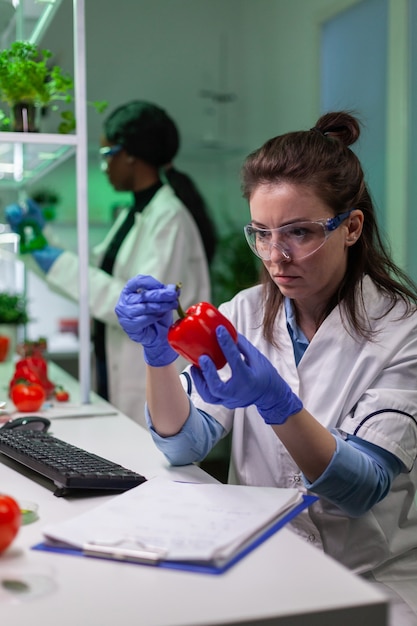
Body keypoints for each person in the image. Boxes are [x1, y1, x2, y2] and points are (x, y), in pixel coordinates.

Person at [115, 111, 417, 625]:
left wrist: (277, 403)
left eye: (299, 232)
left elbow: (361, 487)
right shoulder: (245, 312)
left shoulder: (402, 331)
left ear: (351, 227)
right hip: (260, 560)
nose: (276, 257)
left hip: (368, 581)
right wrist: (159, 357)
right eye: (261, 233)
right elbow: (183, 444)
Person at [6, 100, 214, 426]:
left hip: (149, 373)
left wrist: (54, 259)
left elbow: (138, 305)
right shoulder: (135, 213)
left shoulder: (168, 217)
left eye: (106, 156)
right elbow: (96, 270)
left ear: (129, 154)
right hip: (116, 368)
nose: (104, 167)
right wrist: (42, 242)